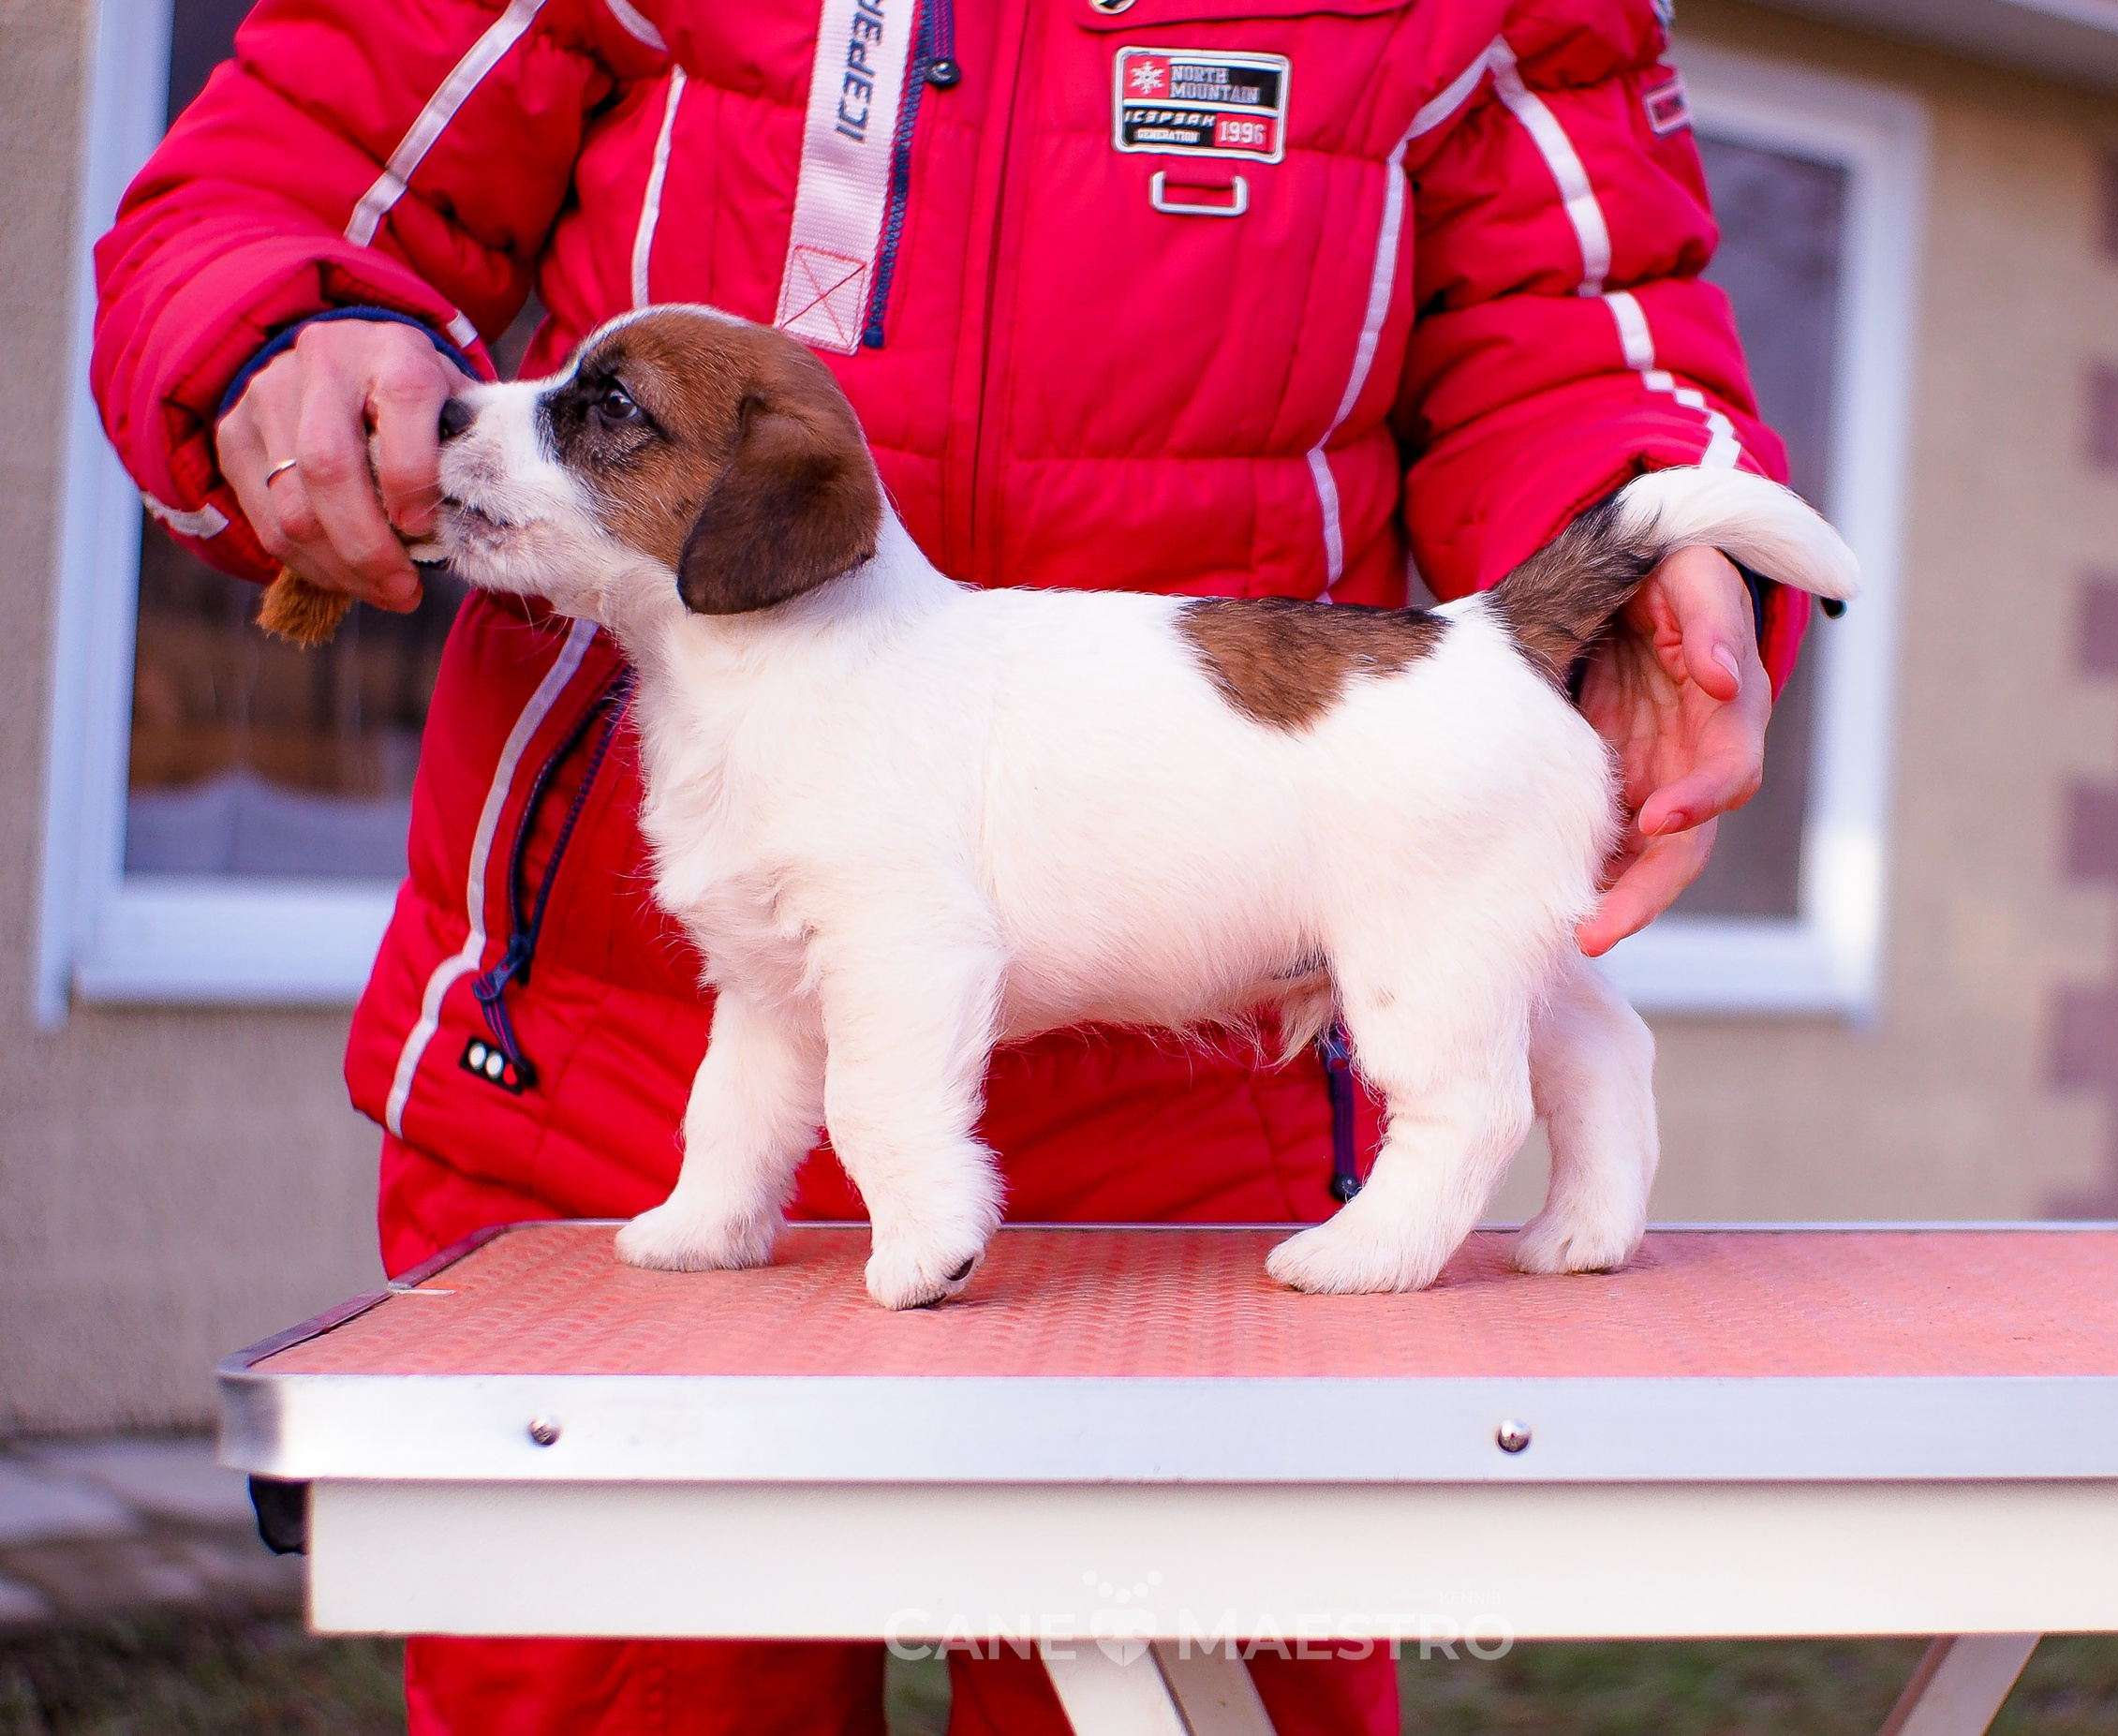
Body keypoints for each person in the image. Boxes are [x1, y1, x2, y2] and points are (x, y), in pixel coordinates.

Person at [95, 0, 1808, 1728]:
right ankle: (739, 1193)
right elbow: (287, 163)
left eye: (596, 416)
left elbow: (1582, 311)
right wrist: (269, 336)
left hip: (1206, 1155)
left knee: (1176, 1680)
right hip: (574, 1088)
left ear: (756, 516)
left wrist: (1662, 530)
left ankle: (1444, 1177)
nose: (508, 420)